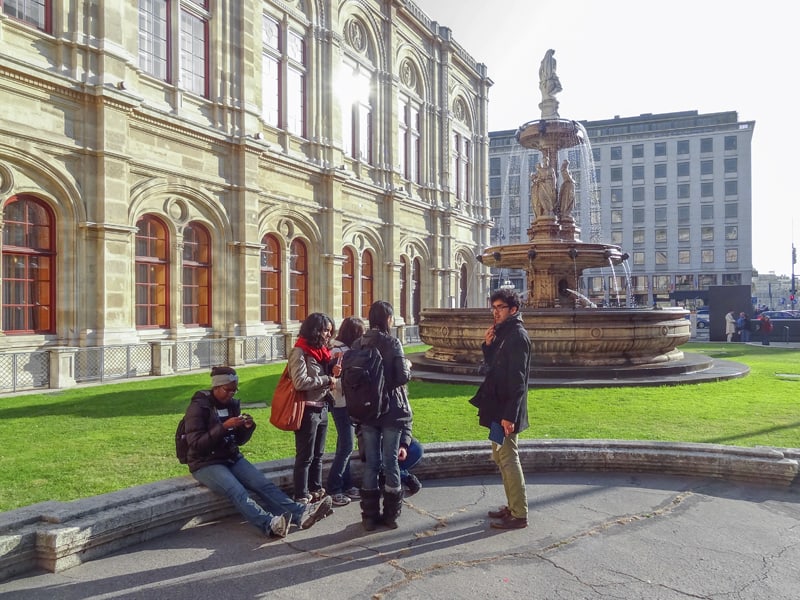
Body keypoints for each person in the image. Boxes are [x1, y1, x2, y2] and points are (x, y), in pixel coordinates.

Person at [183, 366, 332, 538]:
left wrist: (247, 428)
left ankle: (301, 513)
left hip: (230, 456)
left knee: (263, 484)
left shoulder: (231, 405)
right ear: (216, 387)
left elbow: (239, 440)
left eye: (234, 390)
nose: (232, 393)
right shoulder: (199, 407)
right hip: (205, 462)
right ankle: (269, 524)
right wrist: (224, 427)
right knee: (237, 491)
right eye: (228, 389)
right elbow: (195, 444)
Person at [469, 288, 532, 530]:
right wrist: (488, 346)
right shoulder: (503, 333)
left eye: (500, 308)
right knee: (500, 456)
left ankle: (519, 514)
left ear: (513, 310)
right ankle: (512, 506)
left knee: (508, 457)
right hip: (497, 410)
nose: (495, 312)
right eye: (493, 308)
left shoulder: (517, 336)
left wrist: (509, 416)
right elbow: (495, 367)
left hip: (505, 412)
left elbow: (517, 382)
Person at [357, 301, 413, 531]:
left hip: (367, 411)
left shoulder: (358, 343)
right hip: (390, 411)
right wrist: (408, 366)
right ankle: (391, 515)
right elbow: (401, 377)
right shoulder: (392, 343)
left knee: (371, 464)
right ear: (388, 319)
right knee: (390, 462)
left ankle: (369, 517)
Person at [288, 312, 339, 504]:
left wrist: (332, 374)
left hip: (322, 406)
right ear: (314, 330)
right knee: (305, 456)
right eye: (325, 330)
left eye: (330, 331)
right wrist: (327, 379)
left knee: (318, 454)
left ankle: (316, 488)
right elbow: (300, 382)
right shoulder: (300, 351)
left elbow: (323, 380)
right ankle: (301, 494)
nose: (328, 335)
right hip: (307, 410)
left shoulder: (322, 352)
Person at [327, 315, 366, 507]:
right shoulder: (339, 351)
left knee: (344, 444)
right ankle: (334, 488)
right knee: (347, 446)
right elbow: (335, 379)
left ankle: (346, 483)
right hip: (340, 402)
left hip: (346, 402)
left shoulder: (345, 349)